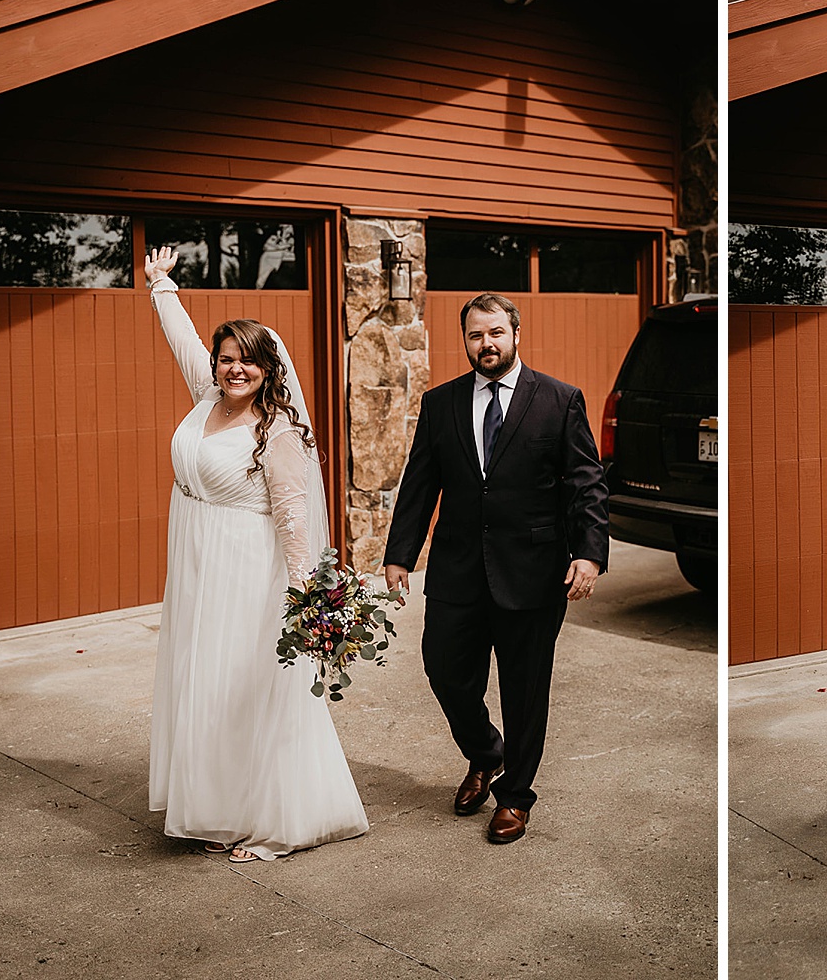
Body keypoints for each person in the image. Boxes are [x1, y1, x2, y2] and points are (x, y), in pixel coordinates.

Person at [144, 246, 369, 861]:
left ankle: (268, 822)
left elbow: (297, 524)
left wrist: (312, 605)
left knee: (242, 688)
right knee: (201, 684)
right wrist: (162, 286)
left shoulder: (278, 432)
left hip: (247, 574)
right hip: (195, 567)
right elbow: (185, 345)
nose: (233, 370)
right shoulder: (205, 398)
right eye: (226, 360)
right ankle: (211, 805)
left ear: (269, 370)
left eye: (246, 362)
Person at [383, 292, 608, 845]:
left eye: (495, 333)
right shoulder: (442, 404)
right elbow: (420, 483)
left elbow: (586, 482)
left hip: (534, 572)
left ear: (515, 334)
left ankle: (515, 796)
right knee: (444, 669)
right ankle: (486, 754)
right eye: (475, 335)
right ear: (465, 341)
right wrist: (399, 554)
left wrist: (589, 552)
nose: (486, 344)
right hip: (458, 569)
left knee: (524, 690)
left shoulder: (558, 400)